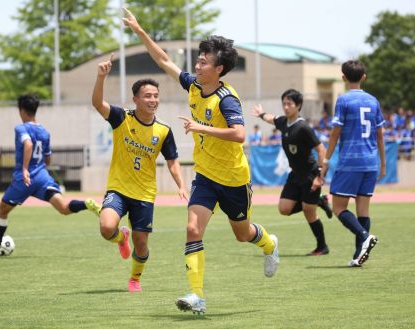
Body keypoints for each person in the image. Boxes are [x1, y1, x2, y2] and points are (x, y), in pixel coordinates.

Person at [123, 8, 279, 315]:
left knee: (242, 233)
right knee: (193, 228)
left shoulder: (227, 99)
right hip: (205, 175)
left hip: (234, 178)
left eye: (204, 61)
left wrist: (200, 128)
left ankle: (270, 244)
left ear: (218, 69)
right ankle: (197, 296)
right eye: (199, 58)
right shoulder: (194, 84)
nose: (198, 63)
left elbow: (239, 135)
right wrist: (140, 31)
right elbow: (164, 61)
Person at [91, 54, 188, 292]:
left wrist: (181, 185)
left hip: (144, 194)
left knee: (142, 243)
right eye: (147, 96)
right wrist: (101, 76)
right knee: (106, 228)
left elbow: (173, 161)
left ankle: (135, 278)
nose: (153, 99)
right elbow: (97, 104)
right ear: (136, 99)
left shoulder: (163, 130)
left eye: (156, 96)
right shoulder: (121, 117)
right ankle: (119, 238)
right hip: (119, 188)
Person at [0, 94, 101, 254]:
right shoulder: (44, 132)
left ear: (21, 110)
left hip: (24, 179)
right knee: (64, 208)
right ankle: (86, 204)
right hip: (42, 177)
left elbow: (28, 144)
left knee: (2, 210)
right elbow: (47, 159)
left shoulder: (21, 128)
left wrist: (25, 169)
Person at [253, 89, 332, 256]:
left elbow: (321, 150)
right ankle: (319, 201)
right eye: (284, 103)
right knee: (284, 209)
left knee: (308, 211)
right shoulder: (283, 122)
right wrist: (261, 114)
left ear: (298, 106)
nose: (286, 107)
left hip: (310, 174)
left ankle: (322, 246)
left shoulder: (303, 127)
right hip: (295, 175)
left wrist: (319, 176)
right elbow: (271, 119)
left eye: (290, 104)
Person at [321, 60, 385, 267]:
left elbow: (335, 133)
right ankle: (359, 255)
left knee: (338, 207)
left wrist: (327, 159)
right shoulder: (373, 101)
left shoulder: (343, 101)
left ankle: (364, 237)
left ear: (343, 78)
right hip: (370, 162)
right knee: (363, 210)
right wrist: (383, 163)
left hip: (350, 161)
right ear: (364, 77)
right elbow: (380, 134)